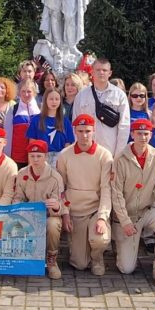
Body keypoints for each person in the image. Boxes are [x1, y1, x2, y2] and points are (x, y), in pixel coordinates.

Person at [111, 118, 155, 287]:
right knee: (127, 268)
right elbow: (116, 193)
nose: (142, 137)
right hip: (127, 216)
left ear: (151, 135)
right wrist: (124, 221)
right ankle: (122, 246)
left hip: (148, 210)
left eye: (146, 134)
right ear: (132, 134)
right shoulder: (121, 158)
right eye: (139, 133)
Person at [57, 115, 114, 276]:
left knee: (100, 239)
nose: (84, 135)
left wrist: (102, 217)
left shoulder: (104, 155)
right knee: (79, 264)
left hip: (95, 209)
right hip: (75, 211)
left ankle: (97, 257)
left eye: (88, 131)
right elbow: (61, 188)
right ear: (74, 131)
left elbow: (106, 189)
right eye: (80, 131)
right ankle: (79, 247)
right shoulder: (65, 155)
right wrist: (65, 214)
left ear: (94, 131)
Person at [13, 140, 68, 279]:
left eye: (39, 156)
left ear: (46, 157)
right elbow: (18, 196)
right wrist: (17, 206)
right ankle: (22, 258)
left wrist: (56, 206)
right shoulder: (22, 174)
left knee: (53, 224)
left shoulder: (55, 177)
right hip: (27, 214)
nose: (35, 160)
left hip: (47, 215)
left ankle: (51, 260)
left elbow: (62, 202)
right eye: (32, 156)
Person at [72, 57, 131, 157]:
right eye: (98, 70)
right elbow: (75, 124)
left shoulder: (119, 95)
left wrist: (118, 156)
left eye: (104, 70)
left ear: (110, 73)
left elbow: (124, 127)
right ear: (92, 72)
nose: (101, 73)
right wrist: (80, 150)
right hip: (86, 152)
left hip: (110, 152)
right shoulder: (81, 95)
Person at [26, 88, 74, 166]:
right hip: (41, 159)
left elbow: (67, 146)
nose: (54, 102)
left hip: (60, 160)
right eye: (51, 99)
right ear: (45, 100)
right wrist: (31, 164)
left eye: (57, 99)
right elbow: (32, 144)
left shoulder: (65, 122)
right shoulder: (36, 120)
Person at [5, 79, 40, 167]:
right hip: (17, 157)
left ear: (34, 93)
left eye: (29, 91)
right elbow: (7, 134)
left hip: (36, 156)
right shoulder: (13, 109)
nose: (26, 94)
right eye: (23, 91)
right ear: (19, 93)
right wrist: (7, 156)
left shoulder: (40, 109)